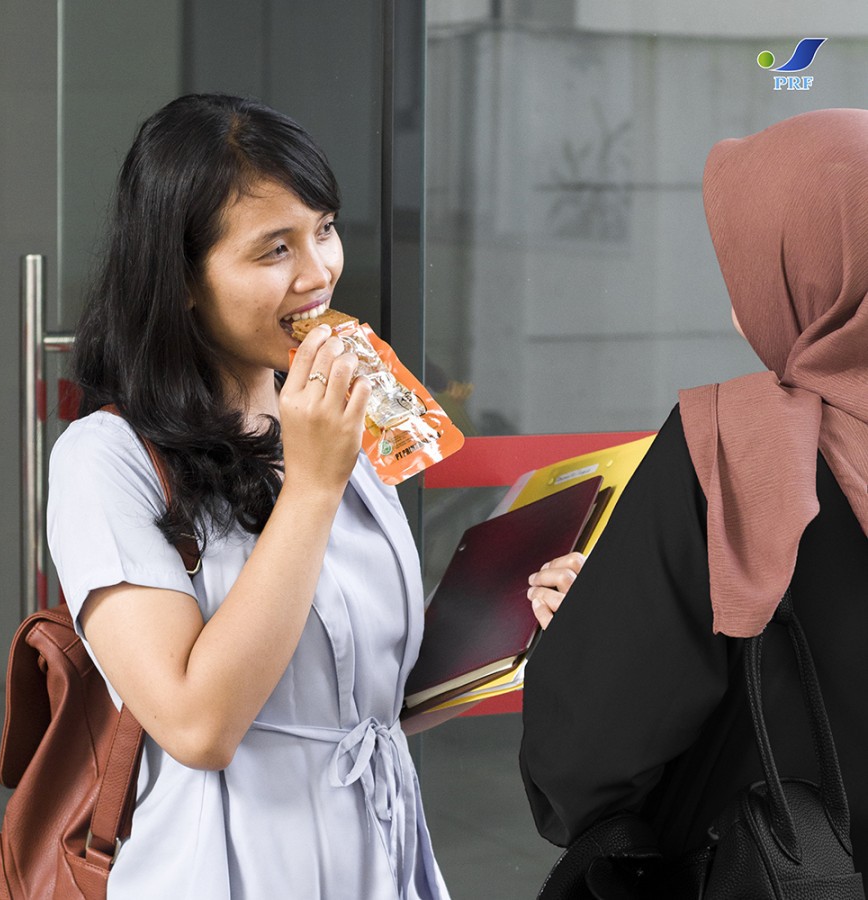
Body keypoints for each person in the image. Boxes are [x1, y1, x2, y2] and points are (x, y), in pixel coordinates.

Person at [46, 92, 450, 899]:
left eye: (324, 230)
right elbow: (197, 725)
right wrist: (313, 485)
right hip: (231, 867)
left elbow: (369, 686)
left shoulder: (335, 410)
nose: (319, 273)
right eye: (274, 250)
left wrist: (522, 630)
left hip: (382, 850)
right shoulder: (105, 460)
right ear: (183, 278)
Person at [519, 107, 868, 888]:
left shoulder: (739, 443)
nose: (735, 304)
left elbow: (586, 765)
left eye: (747, 264)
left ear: (807, 272)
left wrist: (596, 628)